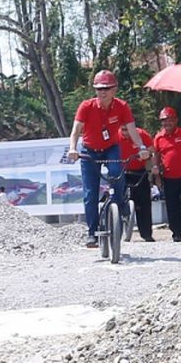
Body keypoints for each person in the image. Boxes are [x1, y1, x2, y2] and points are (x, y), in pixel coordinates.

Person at [67, 70, 150, 248]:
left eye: (106, 88)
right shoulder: (86, 106)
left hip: (111, 148)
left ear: (115, 89)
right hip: (89, 151)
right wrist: (73, 148)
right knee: (90, 194)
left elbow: (132, 130)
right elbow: (75, 131)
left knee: (116, 174)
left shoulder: (122, 106)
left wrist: (141, 148)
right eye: (98, 88)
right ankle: (92, 233)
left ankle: (121, 204)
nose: (102, 92)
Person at [153, 106, 181, 242]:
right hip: (168, 177)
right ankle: (176, 233)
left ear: (176, 120)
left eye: (170, 120)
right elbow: (156, 155)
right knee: (172, 206)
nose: (168, 123)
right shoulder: (159, 137)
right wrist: (156, 174)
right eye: (165, 121)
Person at [119, 123, 156, 242]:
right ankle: (117, 232)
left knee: (144, 202)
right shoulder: (114, 135)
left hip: (139, 171)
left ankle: (146, 234)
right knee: (117, 199)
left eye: (127, 129)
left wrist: (146, 155)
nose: (125, 132)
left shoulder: (141, 134)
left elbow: (152, 150)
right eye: (123, 129)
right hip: (121, 171)